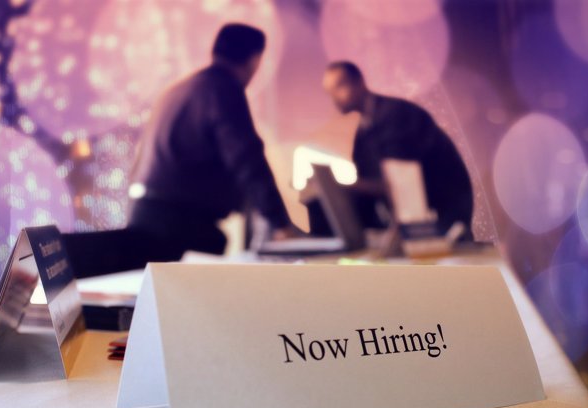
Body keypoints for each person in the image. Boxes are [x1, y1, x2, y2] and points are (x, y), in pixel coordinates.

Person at [63, 23, 293, 278]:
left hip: (148, 214)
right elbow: (247, 158)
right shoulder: (223, 88)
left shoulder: (180, 89)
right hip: (179, 227)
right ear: (255, 59)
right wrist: (280, 223)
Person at [322, 61, 474, 237]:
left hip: (444, 205)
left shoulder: (395, 114)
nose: (334, 97)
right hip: (427, 211)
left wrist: (346, 187)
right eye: (329, 92)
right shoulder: (364, 130)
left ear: (359, 81)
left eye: (339, 86)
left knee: (453, 260)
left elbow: (401, 181)